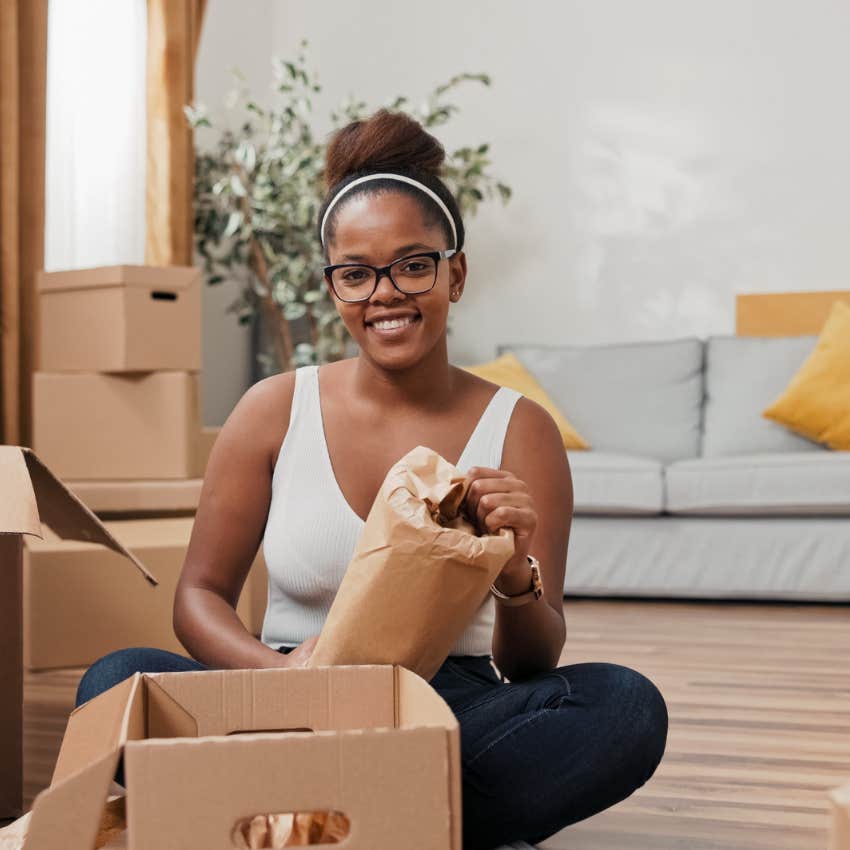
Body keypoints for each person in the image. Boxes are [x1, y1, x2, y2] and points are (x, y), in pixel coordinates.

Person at [77, 109, 667, 850]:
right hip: (282, 692)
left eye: (413, 264)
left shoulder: (522, 429)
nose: (384, 293)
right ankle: (405, 818)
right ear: (333, 288)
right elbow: (198, 597)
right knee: (118, 680)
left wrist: (516, 573)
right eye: (356, 273)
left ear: (455, 272)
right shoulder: (272, 411)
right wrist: (287, 680)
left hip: (447, 710)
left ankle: (297, 815)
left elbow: (531, 662)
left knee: (625, 705)